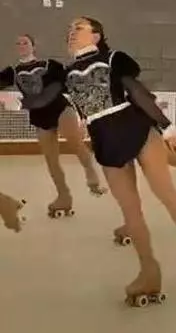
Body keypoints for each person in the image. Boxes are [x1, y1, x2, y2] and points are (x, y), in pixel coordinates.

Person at [63, 16, 176, 306]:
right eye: (69, 30)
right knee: (131, 213)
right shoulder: (66, 74)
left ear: (96, 36)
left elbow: (137, 92)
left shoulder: (113, 59)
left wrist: (167, 126)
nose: (71, 33)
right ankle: (149, 271)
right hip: (105, 141)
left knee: (165, 193)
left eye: (78, 28)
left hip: (134, 127)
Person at [0, 34, 105, 218]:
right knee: (51, 161)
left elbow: (71, 84)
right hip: (40, 118)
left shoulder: (49, 65)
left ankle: (92, 175)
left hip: (60, 109)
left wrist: (84, 114)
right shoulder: (13, 72)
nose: (22, 45)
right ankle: (63, 197)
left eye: (25, 42)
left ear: (34, 45)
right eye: (19, 43)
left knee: (75, 143)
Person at [112, 93, 176, 246]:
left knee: (138, 184)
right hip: (130, 127)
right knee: (155, 170)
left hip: (123, 128)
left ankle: (132, 223)